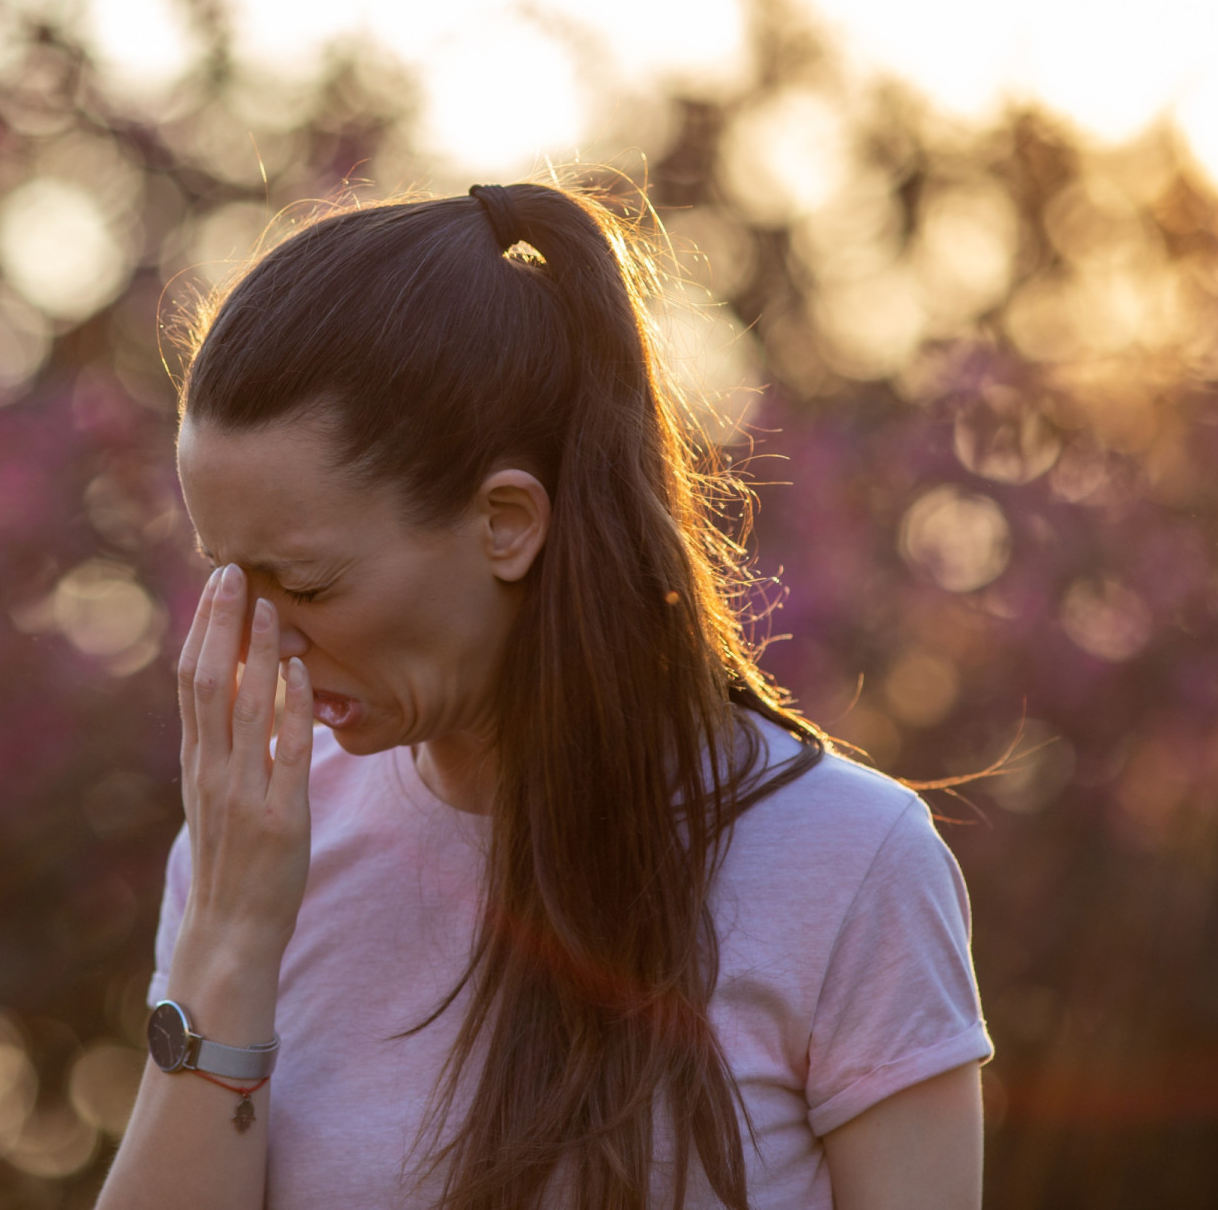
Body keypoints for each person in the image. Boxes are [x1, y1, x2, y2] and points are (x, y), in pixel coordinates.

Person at [95, 182, 991, 1210]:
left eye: (305, 584)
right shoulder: (253, 851)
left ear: (507, 524)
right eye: (226, 576)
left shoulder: (847, 863)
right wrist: (229, 933)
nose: (260, 640)